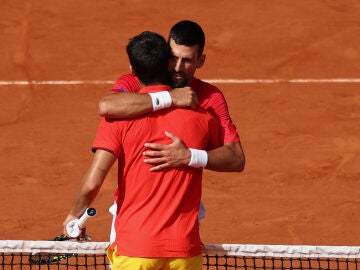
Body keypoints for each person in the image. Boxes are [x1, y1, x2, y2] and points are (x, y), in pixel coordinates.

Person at [63, 31, 221, 270]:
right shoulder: (203, 118)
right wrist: (193, 156)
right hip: (185, 252)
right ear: (169, 64)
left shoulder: (117, 120)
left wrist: (74, 216)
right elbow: (233, 158)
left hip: (135, 250)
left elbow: (92, 184)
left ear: (132, 70)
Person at [99, 21, 245, 242]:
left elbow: (236, 158)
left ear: (201, 61)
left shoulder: (211, 97)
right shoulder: (137, 81)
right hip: (131, 215)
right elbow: (108, 105)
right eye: (173, 57)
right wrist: (169, 98)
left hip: (181, 219)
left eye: (186, 60)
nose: (177, 67)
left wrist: (190, 156)